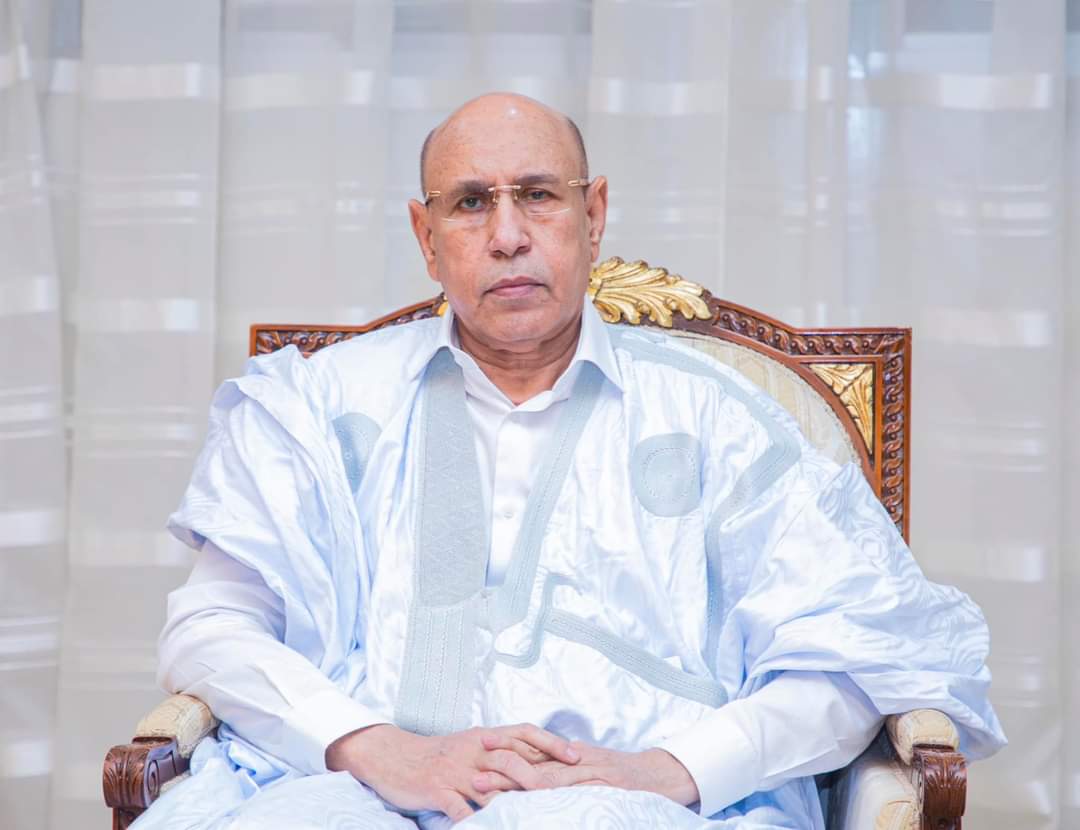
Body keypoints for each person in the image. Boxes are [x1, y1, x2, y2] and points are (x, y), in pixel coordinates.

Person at [134, 93, 1004, 830]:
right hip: (359, 791)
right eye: (470, 203)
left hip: (642, 807)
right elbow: (212, 627)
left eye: (539, 195)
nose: (508, 235)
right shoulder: (316, 408)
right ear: (426, 235)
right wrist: (376, 748)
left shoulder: (721, 420)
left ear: (593, 216)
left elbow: (855, 663)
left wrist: (666, 770)